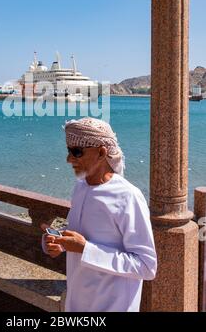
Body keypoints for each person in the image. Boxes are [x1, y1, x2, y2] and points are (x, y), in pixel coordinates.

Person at [42, 117, 157, 312]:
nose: (69, 159)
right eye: (69, 151)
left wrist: (86, 249)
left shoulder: (128, 197)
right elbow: (80, 235)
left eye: (76, 152)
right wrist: (56, 242)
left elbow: (146, 266)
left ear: (102, 152)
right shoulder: (80, 188)